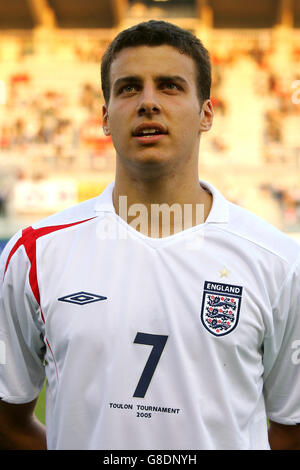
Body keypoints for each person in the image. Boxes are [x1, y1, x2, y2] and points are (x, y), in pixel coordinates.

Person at [0, 20, 300, 451]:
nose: (148, 103)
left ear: (206, 114)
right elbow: (7, 422)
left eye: (170, 86)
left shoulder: (277, 262)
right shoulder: (34, 254)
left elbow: (291, 427)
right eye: (128, 88)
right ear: (105, 118)